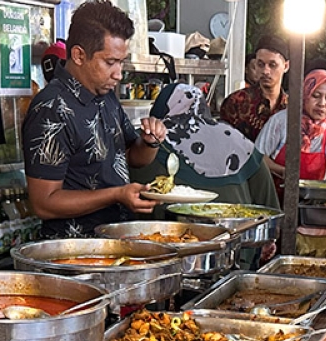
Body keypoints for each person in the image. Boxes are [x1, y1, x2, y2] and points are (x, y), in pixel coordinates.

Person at [21, 0, 167, 237]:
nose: (118, 74)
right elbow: (44, 203)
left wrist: (150, 141)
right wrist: (116, 195)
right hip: (75, 250)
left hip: (117, 238)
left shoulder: (106, 96)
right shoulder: (51, 108)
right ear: (79, 55)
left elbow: (132, 157)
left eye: (121, 62)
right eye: (110, 62)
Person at [129, 82, 279, 209]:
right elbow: (270, 207)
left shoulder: (146, 141)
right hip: (235, 228)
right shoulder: (240, 142)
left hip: (164, 230)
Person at [219, 35, 289, 141]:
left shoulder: (292, 108)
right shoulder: (236, 102)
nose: (265, 71)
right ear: (255, 64)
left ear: (286, 66)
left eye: (272, 65)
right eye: (260, 64)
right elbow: (223, 142)